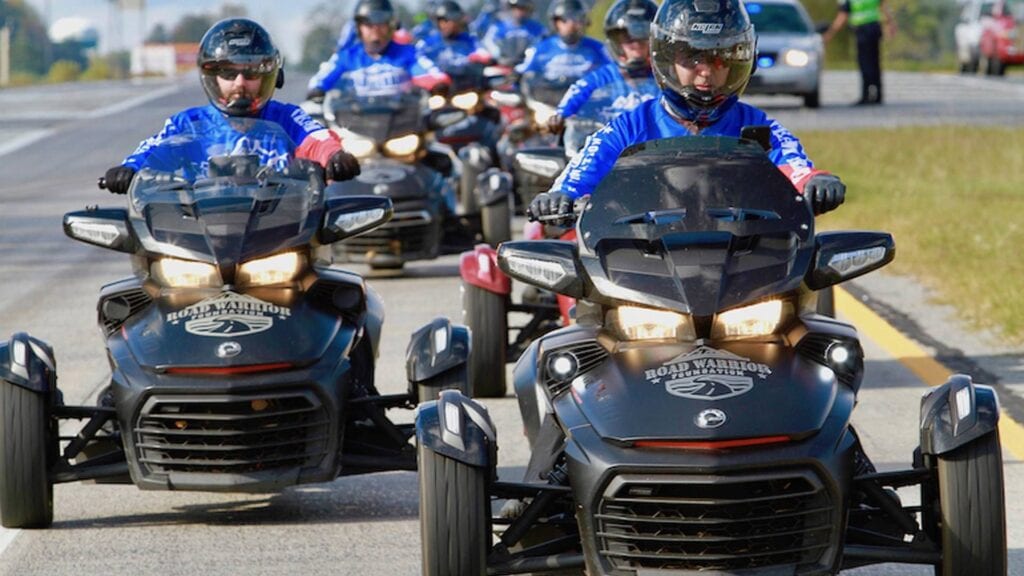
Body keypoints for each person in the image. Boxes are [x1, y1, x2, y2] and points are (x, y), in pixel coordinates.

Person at [529, 0, 846, 221]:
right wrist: (562, 196)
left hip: (744, 264)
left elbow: (795, 165)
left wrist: (814, 182)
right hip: (644, 263)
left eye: (719, 58)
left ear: (739, 59)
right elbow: (577, 177)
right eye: (691, 58)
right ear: (665, 58)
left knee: (803, 313)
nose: (706, 72)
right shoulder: (627, 126)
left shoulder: (759, 125)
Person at [103, 18, 359, 194]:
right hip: (199, 239)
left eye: (250, 73)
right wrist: (129, 170)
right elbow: (152, 151)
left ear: (270, 76)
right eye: (227, 73)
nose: (240, 83)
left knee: (324, 274)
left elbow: (319, 138)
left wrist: (335, 157)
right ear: (211, 77)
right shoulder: (188, 124)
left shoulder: (287, 117)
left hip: (282, 233)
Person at [547, 0, 660, 134]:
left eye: (643, 34)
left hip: (656, 151)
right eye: (626, 36)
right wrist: (560, 117)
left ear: (655, 38)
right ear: (615, 41)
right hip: (609, 150)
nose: (635, 42)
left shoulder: (667, 76)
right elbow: (574, 96)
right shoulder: (601, 77)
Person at [305, 0, 451, 100]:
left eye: (381, 22)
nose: (375, 29)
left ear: (392, 25)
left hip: (404, 126)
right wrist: (317, 90)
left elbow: (430, 73)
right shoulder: (346, 57)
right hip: (355, 127)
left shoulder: (409, 54)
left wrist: (438, 85)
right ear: (358, 28)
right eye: (368, 23)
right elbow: (319, 81)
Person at [515, 0, 613, 83]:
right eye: (565, 19)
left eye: (577, 19)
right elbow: (524, 74)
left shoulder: (598, 49)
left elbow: (613, 73)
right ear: (555, 23)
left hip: (587, 102)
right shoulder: (541, 48)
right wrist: (516, 77)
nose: (572, 25)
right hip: (546, 101)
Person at [822, 0, 897, 106]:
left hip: (862, 30)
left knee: (864, 63)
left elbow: (842, 16)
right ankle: (878, 95)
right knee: (875, 62)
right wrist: (890, 23)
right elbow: (883, 6)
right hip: (875, 28)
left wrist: (830, 34)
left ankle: (866, 96)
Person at [415, 0, 492, 72]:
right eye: (443, 21)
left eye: (451, 20)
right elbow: (420, 63)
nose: (446, 25)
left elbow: (481, 52)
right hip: (444, 84)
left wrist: (480, 57)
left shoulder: (469, 40)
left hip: (473, 82)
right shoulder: (427, 45)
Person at [480, 0, 547, 66]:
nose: (519, 11)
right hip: (502, 64)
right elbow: (488, 42)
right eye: (516, 7)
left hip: (527, 66)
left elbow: (542, 44)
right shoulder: (498, 27)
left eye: (523, 8)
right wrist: (498, 54)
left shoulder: (537, 28)